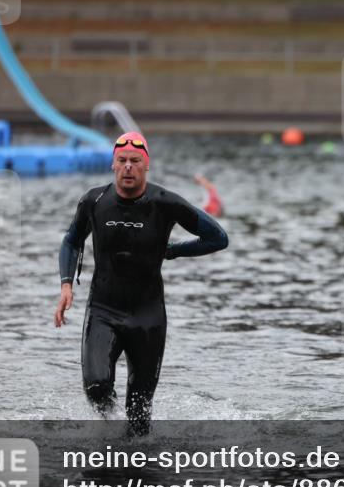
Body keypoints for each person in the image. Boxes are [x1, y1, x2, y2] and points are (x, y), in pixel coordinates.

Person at [54, 132, 228, 435]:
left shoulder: (166, 203)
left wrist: (173, 251)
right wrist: (66, 285)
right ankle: (108, 440)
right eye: (122, 161)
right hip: (103, 310)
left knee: (139, 414)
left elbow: (218, 238)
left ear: (146, 166)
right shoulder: (94, 201)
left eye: (136, 161)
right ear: (113, 165)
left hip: (148, 317)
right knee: (96, 388)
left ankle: (135, 463)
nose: (128, 167)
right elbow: (71, 242)